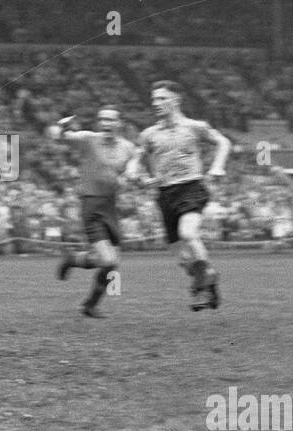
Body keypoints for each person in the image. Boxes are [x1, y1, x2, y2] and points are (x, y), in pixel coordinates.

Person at [134, 80, 232, 311]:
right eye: (154, 99)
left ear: (176, 100)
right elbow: (136, 157)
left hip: (191, 187)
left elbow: (223, 141)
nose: (156, 103)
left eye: (162, 98)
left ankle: (201, 290)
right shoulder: (149, 134)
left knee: (188, 233)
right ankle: (210, 281)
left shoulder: (195, 126)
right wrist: (134, 171)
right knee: (184, 260)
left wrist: (218, 166)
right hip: (165, 194)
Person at [52, 107, 137, 317]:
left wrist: (135, 176)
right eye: (102, 119)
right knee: (108, 261)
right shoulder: (89, 139)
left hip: (111, 205)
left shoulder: (127, 147)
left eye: (110, 119)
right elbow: (62, 138)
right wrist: (63, 126)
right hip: (91, 204)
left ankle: (88, 297)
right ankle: (88, 299)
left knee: (111, 262)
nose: (106, 123)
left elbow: (133, 170)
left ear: (119, 123)